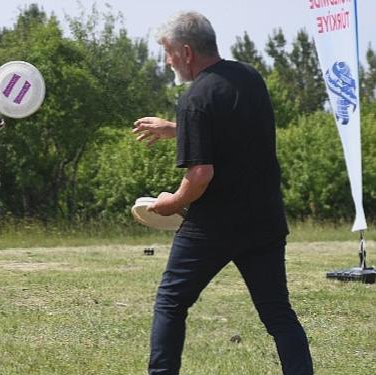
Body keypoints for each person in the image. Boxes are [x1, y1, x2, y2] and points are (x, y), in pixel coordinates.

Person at [133, 11, 313, 375]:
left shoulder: (195, 98)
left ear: (185, 51)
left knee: (171, 302)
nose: (167, 61)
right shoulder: (249, 77)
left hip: (213, 226)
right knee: (278, 315)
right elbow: (232, 127)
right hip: (264, 220)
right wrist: (176, 128)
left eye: (168, 52)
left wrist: (172, 203)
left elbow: (200, 175)